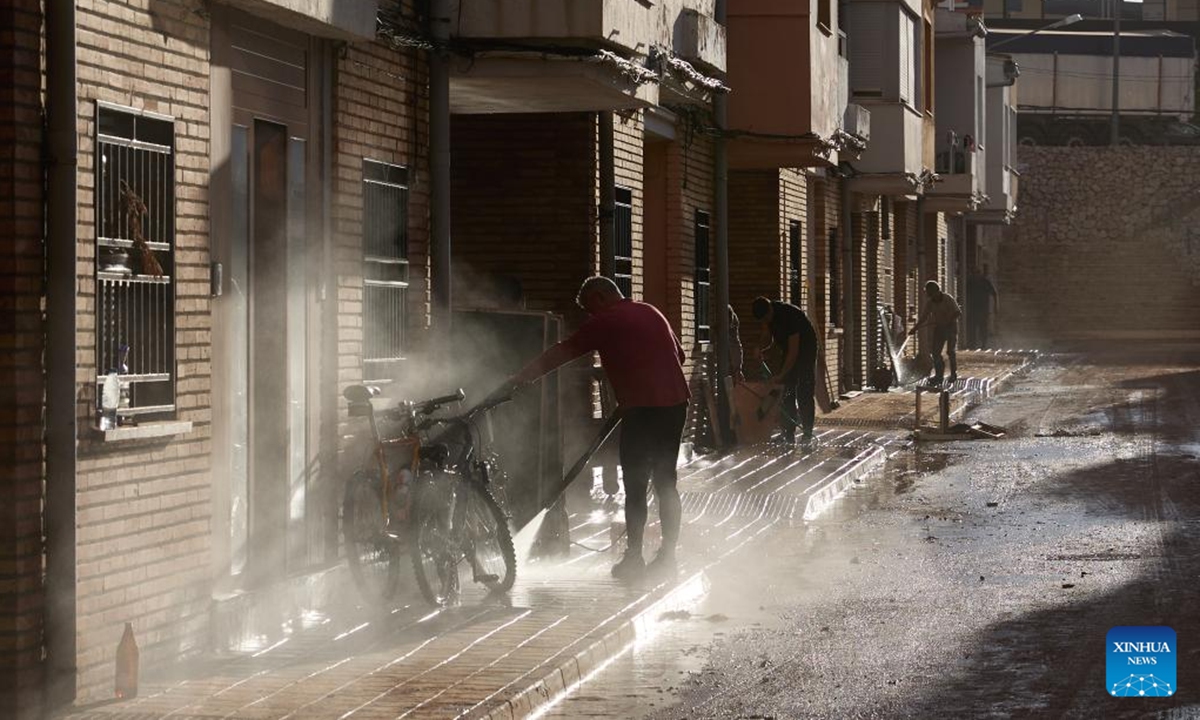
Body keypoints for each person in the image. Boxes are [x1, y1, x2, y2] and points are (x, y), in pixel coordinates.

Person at [508, 277, 689, 581]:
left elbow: (565, 351)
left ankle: (633, 558)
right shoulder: (651, 311)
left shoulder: (607, 320)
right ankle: (668, 555)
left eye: (591, 308)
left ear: (601, 296)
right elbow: (679, 356)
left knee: (634, 484)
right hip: (675, 404)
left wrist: (523, 378)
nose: (591, 316)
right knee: (665, 482)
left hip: (643, 410)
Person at [749, 296, 818, 447]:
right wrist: (760, 347)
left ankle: (807, 433)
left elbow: (793, 351)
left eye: (766, 319)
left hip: (806, 351)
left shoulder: (789, 316)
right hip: (789, 350)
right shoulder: (768, 317)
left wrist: (781, 375)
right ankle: (788, 433)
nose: (765, 323)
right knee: (787, 392)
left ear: (769, 310)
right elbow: (767, 336)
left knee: (804, 392)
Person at [911, 280, 962, 387]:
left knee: (950, 352)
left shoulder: (948, 299)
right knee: (935, 353)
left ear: (937, 291)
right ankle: (939, 375)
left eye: (932, 293)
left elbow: (957, 312)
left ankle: (953, 374)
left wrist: (948, 321)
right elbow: (924, 317)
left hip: (951, 328)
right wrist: (915, 328)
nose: (931, 296)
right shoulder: (930, 303)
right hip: (939, 328)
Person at [965, 264, 998, 349]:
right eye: (974, 273)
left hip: (982, 309)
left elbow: (994, 294)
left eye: (977, 273)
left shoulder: (984, 282)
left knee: (982, 327)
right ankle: (973, 344)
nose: (976, 275)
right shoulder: (970, 282)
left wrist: (996, 307)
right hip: (973, 309)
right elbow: (964, 294)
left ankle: (983, 344)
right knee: (973, 327)